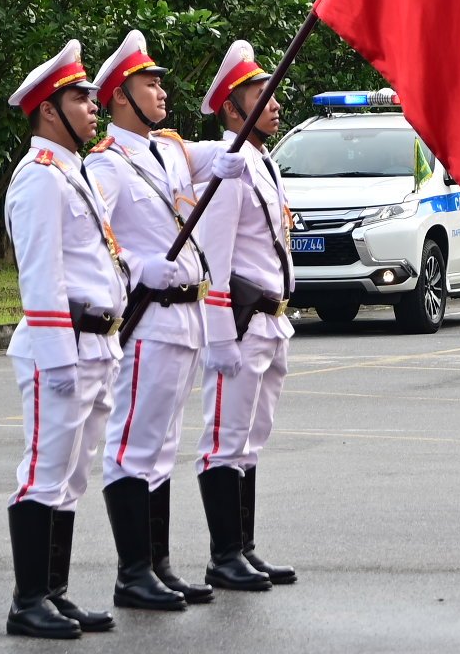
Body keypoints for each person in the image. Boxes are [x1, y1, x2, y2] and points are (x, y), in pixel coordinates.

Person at [85, 30, 245, 611]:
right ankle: (132, 572)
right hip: (148, 320)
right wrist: (135, 266)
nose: (161, 90)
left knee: (161, 446)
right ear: (120, 97)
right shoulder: (105, 164)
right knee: (132, 447)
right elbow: (90, 234)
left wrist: (232, 154)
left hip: (185, 323)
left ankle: (159, 563)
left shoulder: (169, 149)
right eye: (148, 83)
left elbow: (214, 156)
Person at [1, 40, 124, 640]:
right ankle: (28, 600)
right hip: (62, 347)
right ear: (50, 109)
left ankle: (54, 591)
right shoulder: (41, 179)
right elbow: (41, 276)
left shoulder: (73, 171)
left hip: (95, 344)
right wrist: (59, 359)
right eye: (80, 97)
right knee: (43, 472)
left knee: (73, 475)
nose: (93, 105)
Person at [194, 40, 297, 591]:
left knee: (251, 439)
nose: (275, 102)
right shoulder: (230, 166)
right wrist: (218, 338)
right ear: (234, 108)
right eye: (262, 93)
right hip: (241, 321)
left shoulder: (263, 163)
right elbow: (216, 257)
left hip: (272, 320)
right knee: (223, 440)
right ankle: (222, 555)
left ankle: (244, 548)